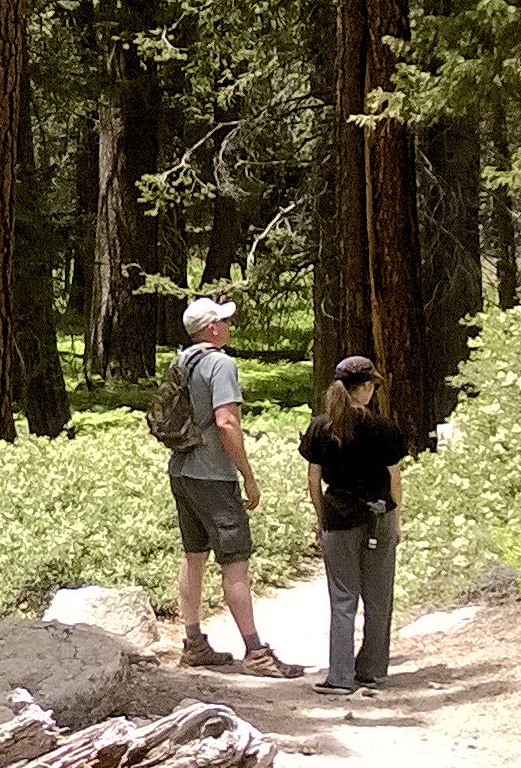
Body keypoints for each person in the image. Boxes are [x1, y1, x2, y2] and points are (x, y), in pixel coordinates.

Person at [166, 295, 297, 676]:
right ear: (212, 329)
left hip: (182, 469)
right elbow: (226, 423)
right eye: (223, 321)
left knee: (193, 556)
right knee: (235, 562)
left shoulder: (182, 361)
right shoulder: (220, 364)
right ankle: (255, 652)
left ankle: (193, 643)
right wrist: (248, 476)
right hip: (213, 475)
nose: (228, 326)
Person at [300, 355, 406, 695]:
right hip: (379, 518)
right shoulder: (384, 427)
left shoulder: (321, 427)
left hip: (339, 517)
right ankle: (372, 669)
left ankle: (340, 676)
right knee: (378, 596)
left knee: (342, 598)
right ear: (361, 388)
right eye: (372, 384)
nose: (374, 390)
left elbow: (313, 479)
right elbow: (394, 478)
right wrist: (397, 519)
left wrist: (322, 517)